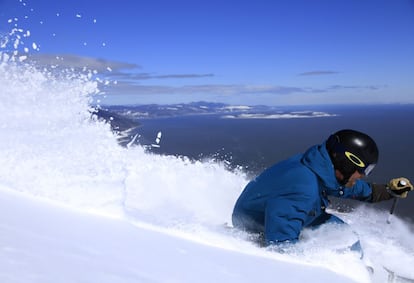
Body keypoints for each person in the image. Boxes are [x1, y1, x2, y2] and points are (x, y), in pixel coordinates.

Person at [232, 129, 413, 247]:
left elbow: (347, 188)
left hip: (281, 217)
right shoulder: (303, 188)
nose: (363, 175)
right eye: (363, 170)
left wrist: (385, 191)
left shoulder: (321, 169)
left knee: (346, 237)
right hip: (257, 228)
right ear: (347, 163)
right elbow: (281, 247)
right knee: (344, 243)